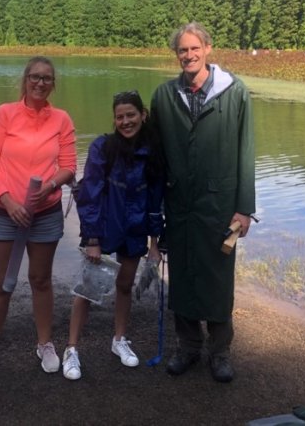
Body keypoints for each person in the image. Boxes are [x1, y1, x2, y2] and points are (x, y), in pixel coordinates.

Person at [149, 22, 256, 383]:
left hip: (220, 204)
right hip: (179, 203)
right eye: (182, 50)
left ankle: (220, 351)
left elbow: (246, 153)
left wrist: (244, 208)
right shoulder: (164, 96)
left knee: (217, 276)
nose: (189, 56)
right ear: (176, 54)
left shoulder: (235, 92)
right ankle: (188, 347)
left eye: (195, 48)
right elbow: (156, 155)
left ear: (208, 49)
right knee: (183, 275)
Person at [0, 56, 77, 378]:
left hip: (45, 213)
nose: (40, 83)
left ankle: (44, 343)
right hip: (6, 213)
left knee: (41, 280)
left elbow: (69, 165)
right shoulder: (4, 114)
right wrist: (8, 201)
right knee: (1, 284)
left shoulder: (61, 119)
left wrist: (48, 187)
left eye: (47, 78)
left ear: (53, 84)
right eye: (34, 77)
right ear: (25, 79)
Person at [61, 90, 164, 380]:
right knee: (89, 288)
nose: (126, 121)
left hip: (135, 228)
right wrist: (92, 239)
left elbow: (156, 200)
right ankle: (72, 349)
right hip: (104, 227)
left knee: (125, 285)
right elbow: (90, 194)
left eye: (131, 115)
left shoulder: (153, 152)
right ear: (114, 119)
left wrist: (155, 242)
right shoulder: (102, 148)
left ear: (142, 115)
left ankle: (119, 339)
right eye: (120, 117)